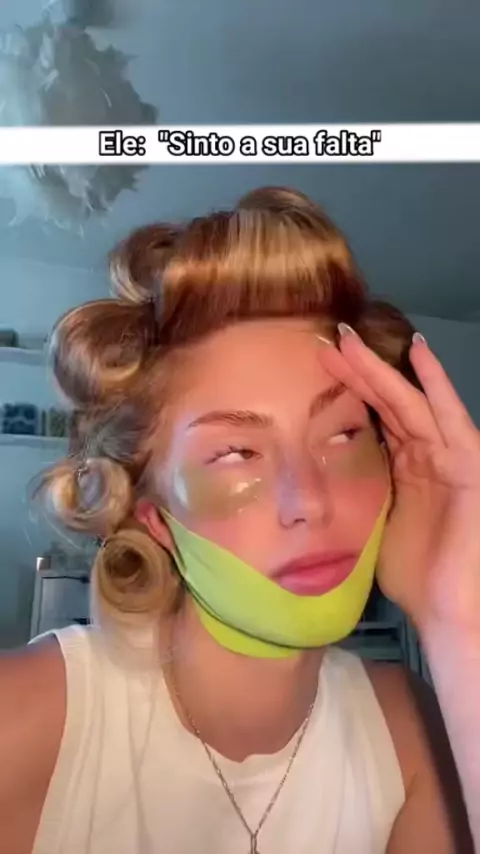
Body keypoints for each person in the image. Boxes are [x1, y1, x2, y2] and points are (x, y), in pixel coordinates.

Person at [0, 186, 479, 854]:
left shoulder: (412, 727)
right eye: (235, 453)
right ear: (154, 517)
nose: (310, 499)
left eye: (343, 434)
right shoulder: (22, 721)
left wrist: (461, 617)